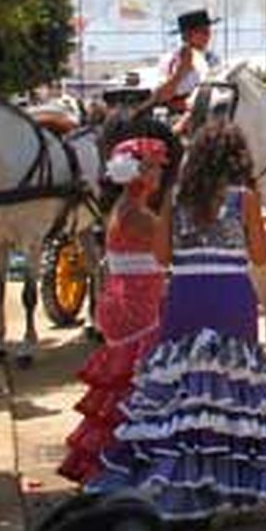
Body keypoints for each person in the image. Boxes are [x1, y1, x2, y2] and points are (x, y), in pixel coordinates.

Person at [90, 122, 266, 523]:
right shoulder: (244, 199)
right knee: (231, 388)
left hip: (186, 296)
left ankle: (182, 482)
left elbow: (163, 256)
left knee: (184, 391)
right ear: (238, 158)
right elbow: (260, 256)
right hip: (230, 295)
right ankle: (231, 487)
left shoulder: (176, 197)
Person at [57, 138, 169, 485]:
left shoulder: (124, 208)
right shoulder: (138, 214)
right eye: (153, 167)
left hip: (125, 301)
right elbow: (173, 247)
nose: (160, 174)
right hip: (138, 305)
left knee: (120, 387)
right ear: (138, 172)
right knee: (136, 388)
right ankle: (125, 468)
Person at [151, 9, 221, 115]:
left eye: (207, 30)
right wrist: (181, 70)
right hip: (181, 113)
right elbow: (161, 97)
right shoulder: (170, 60)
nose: (207, 34)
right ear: (186, 36)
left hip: (213, 109)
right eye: (201, 31)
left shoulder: (213, 59)